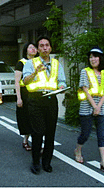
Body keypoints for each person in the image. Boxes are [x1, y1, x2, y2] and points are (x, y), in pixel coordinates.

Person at [23, 36, 67, 174]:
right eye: (41, 46)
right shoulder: (31, 63)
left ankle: (46, 162)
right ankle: (35, 162)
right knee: (38, 132)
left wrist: (61, 86)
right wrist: (35, 72)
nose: (44, 48)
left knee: (50, 133)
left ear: (50, 48)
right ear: (37, 49)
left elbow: (62, 81)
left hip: (51, 100)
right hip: (36, 99)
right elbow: (25, 81)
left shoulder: (56, 64)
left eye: (47, 45)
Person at [74, 46, 104, 174]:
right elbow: (85, 89)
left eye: (95, 56)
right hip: (86, 106)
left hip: (101, 106)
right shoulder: (85, 71)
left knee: (102, 135)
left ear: (100, 58)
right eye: (90, 57)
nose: (93, 59)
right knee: (86, 133)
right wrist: (94, 106)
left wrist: (99, 106)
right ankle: (78, 150)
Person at [15, 42, 37, 151]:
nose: (33, 49)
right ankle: (26, 140)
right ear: (25, 50)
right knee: (26, 117)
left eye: (34, 47)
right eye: (30, 47)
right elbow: (17, 82)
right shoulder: (21, 63)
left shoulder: (39, 62)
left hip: (36, 92)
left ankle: (37, 141)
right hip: (25, 93)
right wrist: (19, 98)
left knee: (36, 118)